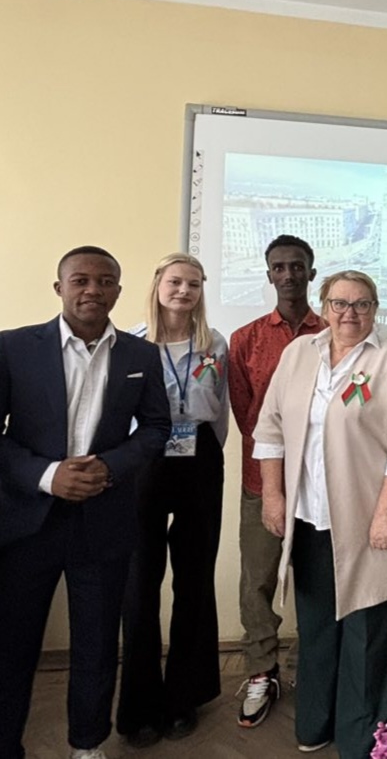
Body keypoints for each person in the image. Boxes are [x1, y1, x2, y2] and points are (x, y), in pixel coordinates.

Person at [0, 246, 171, 759]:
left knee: (96, 645)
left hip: (104, 518)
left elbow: (156, 427)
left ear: (118, 290)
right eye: (80, 280)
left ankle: (88, 745)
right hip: (28, 521)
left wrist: (110, 467)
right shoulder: (13, 348)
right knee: (12, 645)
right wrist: (47, 475)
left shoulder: (142, 356)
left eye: (105, 281)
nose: (93, 289)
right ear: (60, 288)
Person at [253, 270, 387, 756]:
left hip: (368, 520)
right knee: (316, 627)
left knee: (367, 630)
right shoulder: (299, 354)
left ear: (375, 310)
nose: (350, 313)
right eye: (339, 303)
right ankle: (316, 722)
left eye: (362, 304)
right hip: (309, 518)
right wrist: (273, 497)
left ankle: (361, 738)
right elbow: (269, 429)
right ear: (324, 305)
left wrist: (385, 515)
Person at [117, 253, 230, 747]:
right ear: (158, 285)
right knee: (140, 582)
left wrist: (204, 454)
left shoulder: (214, 343)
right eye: (176, 281)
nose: (184, 291)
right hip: (145, 459)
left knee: (195, 578)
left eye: (194, 283)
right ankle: (140, 706)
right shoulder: (131, 343)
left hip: (198, 460)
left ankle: (184, 696)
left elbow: (221, 412)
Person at [228, 235, 325, 727]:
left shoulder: (332, 330)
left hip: (320, 481)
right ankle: (262, 669)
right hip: (261, 480)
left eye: (297, 266)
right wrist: (272, 474)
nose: (289, 275)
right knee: (258, 580)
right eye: (279, 267)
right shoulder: (244, 339)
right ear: (268, 275)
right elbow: (247, 415)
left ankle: (311, 664)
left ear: (311, 272)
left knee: (315, 578)